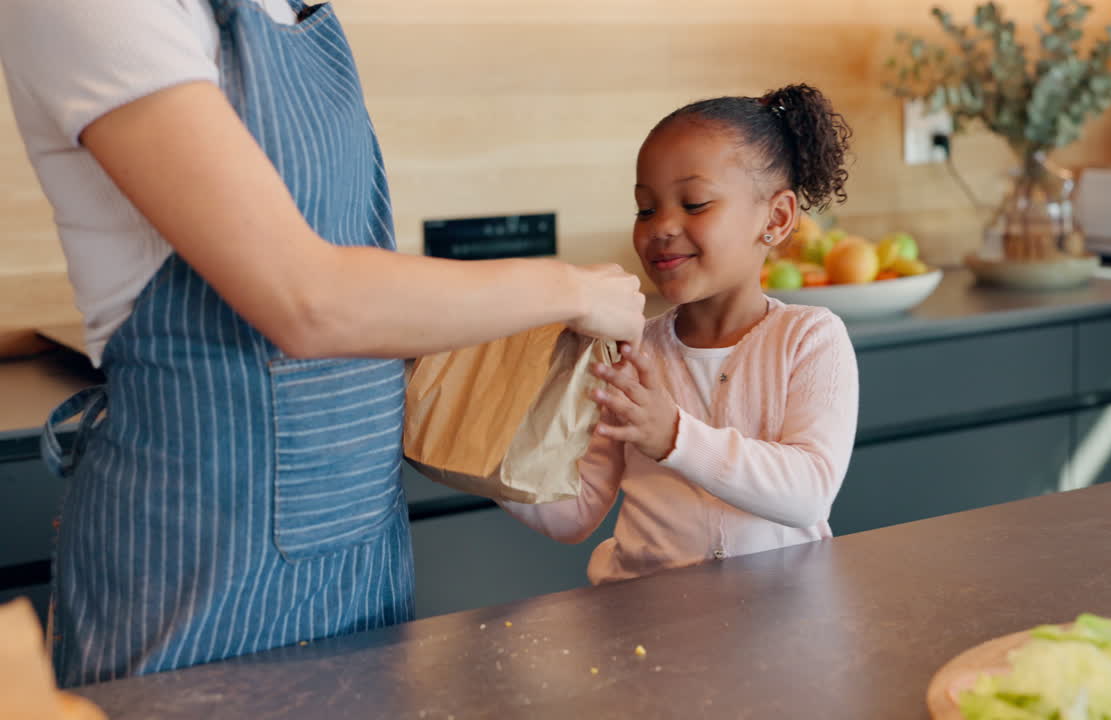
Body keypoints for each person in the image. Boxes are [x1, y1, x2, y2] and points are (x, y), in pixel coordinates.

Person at [0, 0, 644, 687]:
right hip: (199, 559)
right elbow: (305, 298)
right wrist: (569, 288)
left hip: (359, 546)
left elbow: (360, 298)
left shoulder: (290, 8)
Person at [501, 84, 859, 583]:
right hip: (645, 627)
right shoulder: (626, 350)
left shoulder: (810, 338)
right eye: (646, 209)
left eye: (693, 203)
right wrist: (484, 454)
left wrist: (673, 435)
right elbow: (575, 513)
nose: (661, 227)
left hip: (782, 626)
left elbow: (810, 492)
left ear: (776, 218)